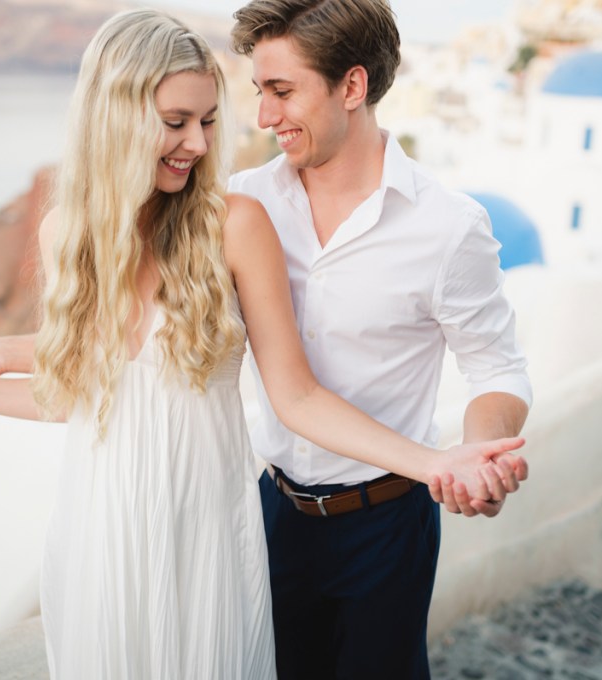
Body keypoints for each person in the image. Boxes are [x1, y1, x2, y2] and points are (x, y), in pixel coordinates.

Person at [0, 8, 527, 680]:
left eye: (273, 94)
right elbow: (102, 381)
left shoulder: (248, 220)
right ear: (119, 117)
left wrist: (443, 463)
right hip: (129, 526)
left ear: (353, 86)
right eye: (180, 120)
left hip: (328, 515)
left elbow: (306, 391)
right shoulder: (94, 229)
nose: (216, 135)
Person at [225, 1, 533, 677]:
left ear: (353, 87)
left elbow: (498, 370)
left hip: (387, 523)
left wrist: (477, 449)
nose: (264, 116)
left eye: (282, 92)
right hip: (270, 513)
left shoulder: (449, 227)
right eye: (259, 92)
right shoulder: (242, 204)